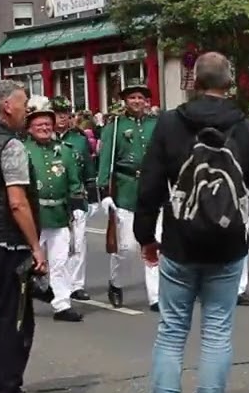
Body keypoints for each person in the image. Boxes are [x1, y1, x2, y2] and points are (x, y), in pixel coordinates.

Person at [134, 52, 249, 393]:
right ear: (229, 83)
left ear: (194, 81)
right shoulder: (245, 128)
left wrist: (146, 236)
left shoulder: (169, 124)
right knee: (216, 333)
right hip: (227, 248)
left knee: (172, 332)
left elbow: (150, 188)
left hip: (178, 244)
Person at [0, 80, 50, 393]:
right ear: (6, 105)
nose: (26, 109)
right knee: (16, 319)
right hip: (8, 243)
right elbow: (17, 202)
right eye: (23, 102)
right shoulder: (11, 146)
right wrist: (36, 246)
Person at [24, 96, 87, 322]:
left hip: (59, 216)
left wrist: (77, 205)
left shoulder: (64, 150)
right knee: (29, 264)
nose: (44, 128)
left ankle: (62, 304)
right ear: (29, 128)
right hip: (33, 217)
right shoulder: (22, 151)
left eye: (47, 125)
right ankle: (21, 302)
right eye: (39, 125)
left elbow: (73, 181)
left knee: (60, 262)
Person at [97, 84, 159, 310]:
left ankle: (156, 296)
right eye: (132, 97)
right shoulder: (115, 127)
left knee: (153, 244)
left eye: (140, 97)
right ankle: (116, 282)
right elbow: (106, 160)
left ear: (146, 101)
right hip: (126, 189)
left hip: (152, 188)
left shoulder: (155, 124)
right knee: (127, 248)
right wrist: (104, 191)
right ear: (125, 101)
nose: (136, 101)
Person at [56, 97, 97, 301]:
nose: (61, 117)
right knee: (57, 244)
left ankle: (76, 284)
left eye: (65, 113)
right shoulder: (43, 137)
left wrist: (95, 197)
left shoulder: (79, 139)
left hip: (77, 197)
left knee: (78, 243)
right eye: (57, 113)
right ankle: (56, 281)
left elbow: (88, 168)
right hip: (53, 201)